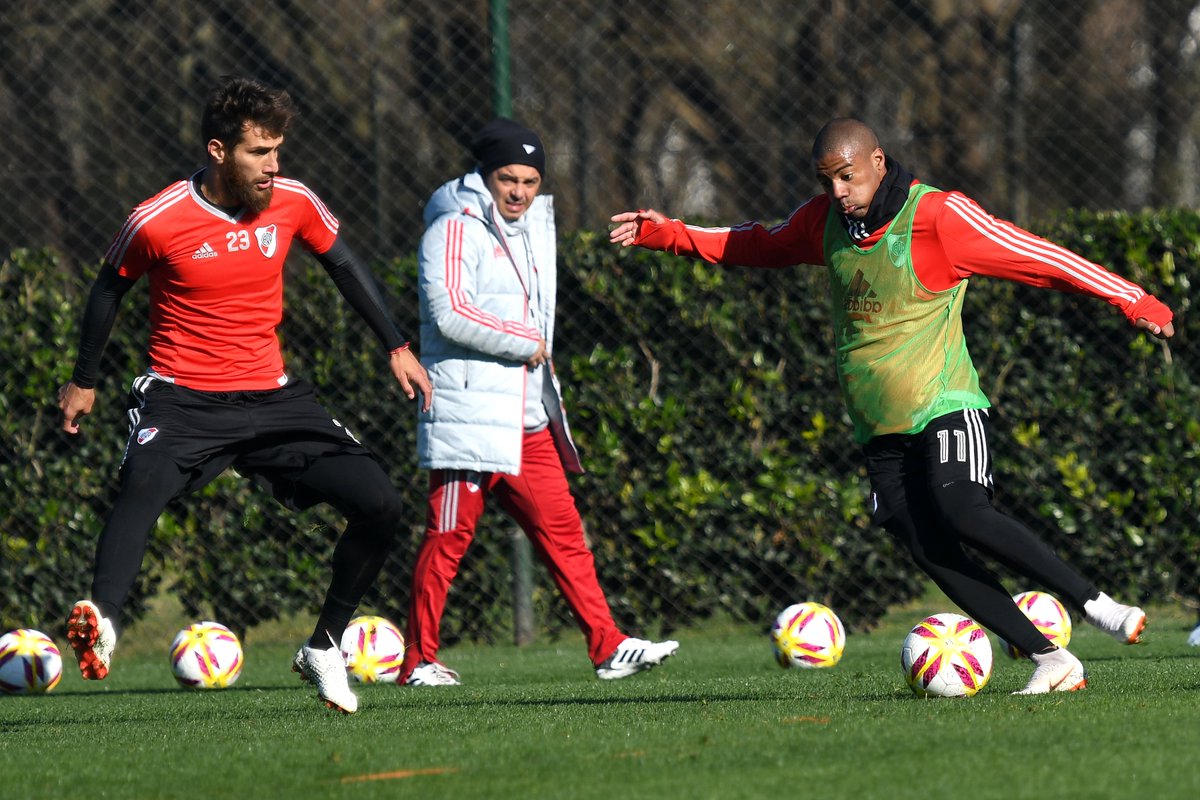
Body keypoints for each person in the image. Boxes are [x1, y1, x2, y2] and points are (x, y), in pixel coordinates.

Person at [611, 118, 1173, 695]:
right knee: (927, 546)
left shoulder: (938, 217)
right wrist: (670, 234)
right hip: (878, 425)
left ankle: (1096, 604)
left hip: (945, 403)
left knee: (962, 511)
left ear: (878, 162)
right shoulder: (823, 223)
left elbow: (1037, 255)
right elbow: (757, 242)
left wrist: (1130, 297)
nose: (837, 192)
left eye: (847, 176)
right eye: (826, 181)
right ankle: (1051, 660)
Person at [56, 75, 432, 714]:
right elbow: (107, 289)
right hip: (183, 398)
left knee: (381, 504)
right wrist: (84, 380)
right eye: (259, 152)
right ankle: (106, 621)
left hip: (274, 400)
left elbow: (343, 264)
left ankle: (324, 646)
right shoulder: (157, 219)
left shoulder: (293, 201)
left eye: (278, 149)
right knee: (144, 482)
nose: (273, 165)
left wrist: (396, 344)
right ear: (218, 151)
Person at [399, 117, 678, 686]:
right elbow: (449, 311)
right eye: (508, 178)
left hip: (525, 419)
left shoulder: (530, 228)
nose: (520, 192)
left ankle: (608, 646)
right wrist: (522, 340)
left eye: (530, 181)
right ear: (485, 174)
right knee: (448, 539)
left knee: (566, 536)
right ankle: (417, 662)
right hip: (471, 418)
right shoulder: (453, 227)